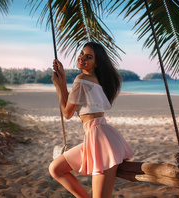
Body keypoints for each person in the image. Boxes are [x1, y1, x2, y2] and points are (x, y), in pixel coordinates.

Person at [49, 42, 134, 198]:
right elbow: (71, 104)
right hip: (97, 136)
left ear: (96, 63)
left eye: (89, 57)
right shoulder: (93, 80)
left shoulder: (81, 79)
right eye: (82, 53)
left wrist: (58, 86)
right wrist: (61, 81)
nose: (82, 58)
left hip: (100, 139)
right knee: (56, 168)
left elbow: (67, 113)